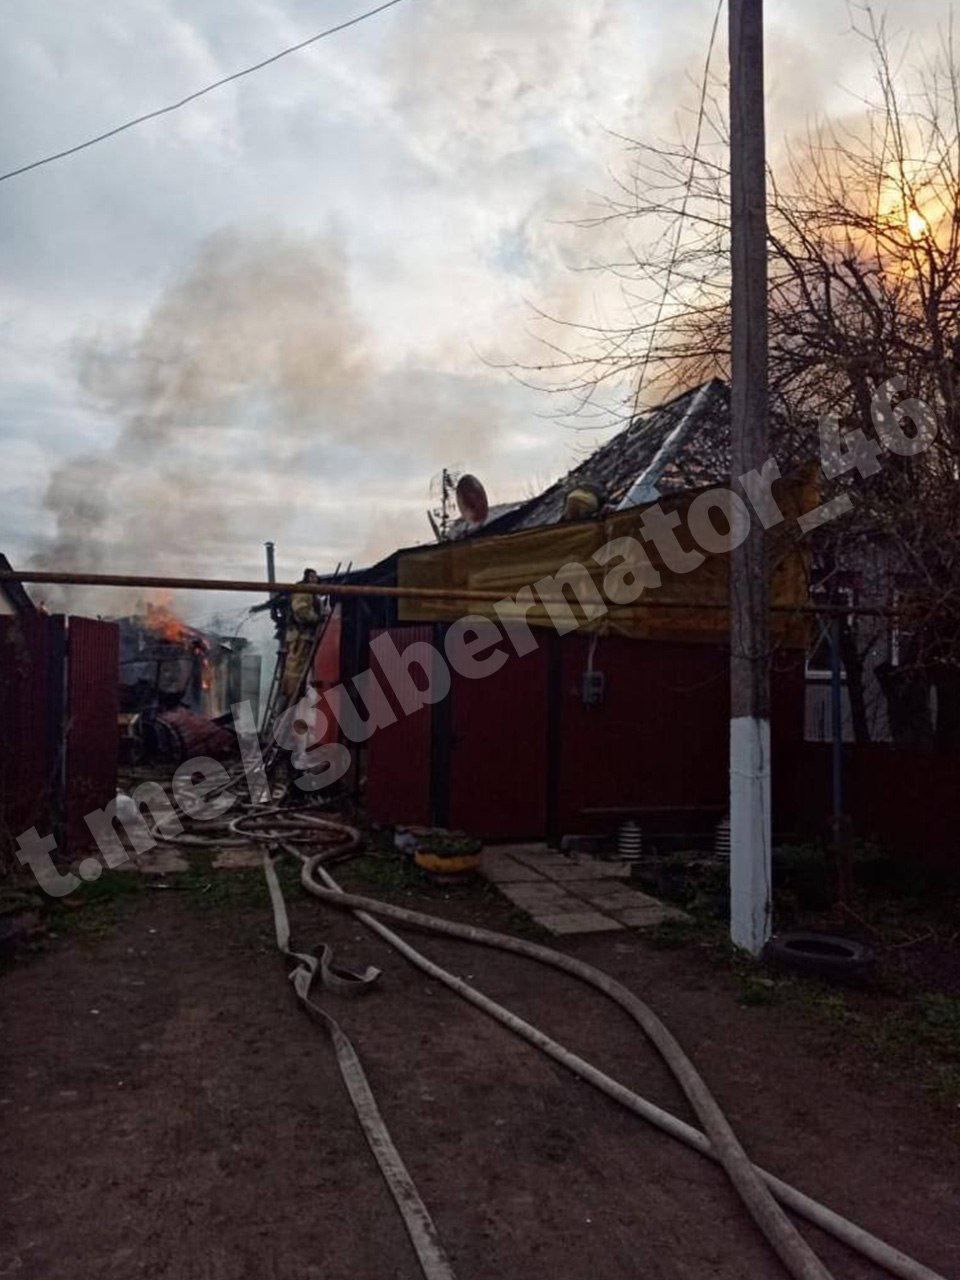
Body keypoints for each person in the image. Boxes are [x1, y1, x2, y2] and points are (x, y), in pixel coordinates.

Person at [281, 568, 323, 700]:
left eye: (316, 577)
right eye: (312, 577)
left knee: (299, 664)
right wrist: (317, 618)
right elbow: (301, 611)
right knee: (296, 665)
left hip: (303, 635)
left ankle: (295, 691)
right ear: (307, 578)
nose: (315, 580)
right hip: (300, 635)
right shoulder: (303, 591)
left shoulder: (310, 592)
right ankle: (293, 692)